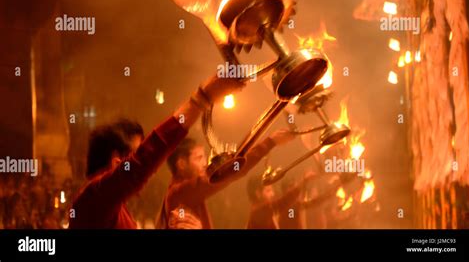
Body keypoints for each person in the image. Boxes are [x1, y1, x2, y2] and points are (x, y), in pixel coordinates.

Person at [69, 75, 244, 229]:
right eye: (137, 153)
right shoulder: (92, 201)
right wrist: (202, 98)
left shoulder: (114, 209)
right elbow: (144, 161)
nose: (149, 173)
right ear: (118, 163)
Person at [157, 129, 296, 229]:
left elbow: (232, 168)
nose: (205, 163)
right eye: (199, 158)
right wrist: (270, 142)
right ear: (181, 164)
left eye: (204, 157)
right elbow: (232, 171)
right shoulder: (180, 192)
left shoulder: (186, 192)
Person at [246, 171, 316, 229]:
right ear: (258, 193)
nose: (272, 194)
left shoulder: (260, 210)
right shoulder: (259, 211)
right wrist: (303, 182)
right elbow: (283, 202)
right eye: (268, 191)